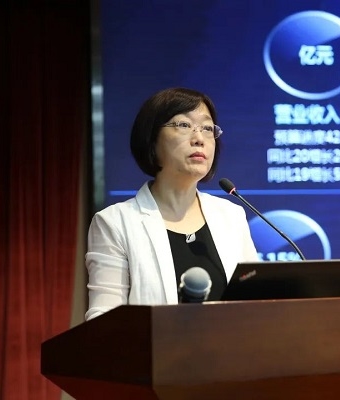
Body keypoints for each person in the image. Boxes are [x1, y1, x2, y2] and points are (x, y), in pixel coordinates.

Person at [84, 87, 259, 320]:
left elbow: (255, 302)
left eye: (207, 128)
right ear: (152, 139)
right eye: (184, 125)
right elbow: (103, 320)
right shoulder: (115, 223)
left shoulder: (231, 216)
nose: (199, 139)